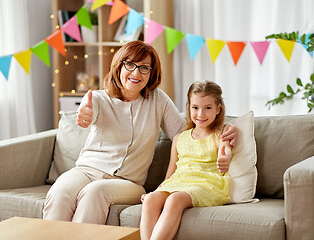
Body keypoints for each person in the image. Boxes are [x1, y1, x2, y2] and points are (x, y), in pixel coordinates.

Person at [43, 41, 237, 225]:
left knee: (95, 192)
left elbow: (186, 132)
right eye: (130, 64)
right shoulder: (98, 99)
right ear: (119, 66)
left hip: (129, 182)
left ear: (151, 73)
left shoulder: (157, 99)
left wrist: (227, 128)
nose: (136, 72)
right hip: (87, 170)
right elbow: (88, 111)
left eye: (144, 67)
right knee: (61, 190)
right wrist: (85, 114)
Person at [140, 80, 232, 240]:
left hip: (206, 183)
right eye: (195, 108)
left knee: (175, 198)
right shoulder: (179, 138)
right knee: (150, 199)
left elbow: (226, 151)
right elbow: (170, 173)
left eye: (208, 108)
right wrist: (157, 190)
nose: (201, 114)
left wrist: (225, 158)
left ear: (218, 109)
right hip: (179, 182)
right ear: (188, 107)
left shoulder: (220, 135)